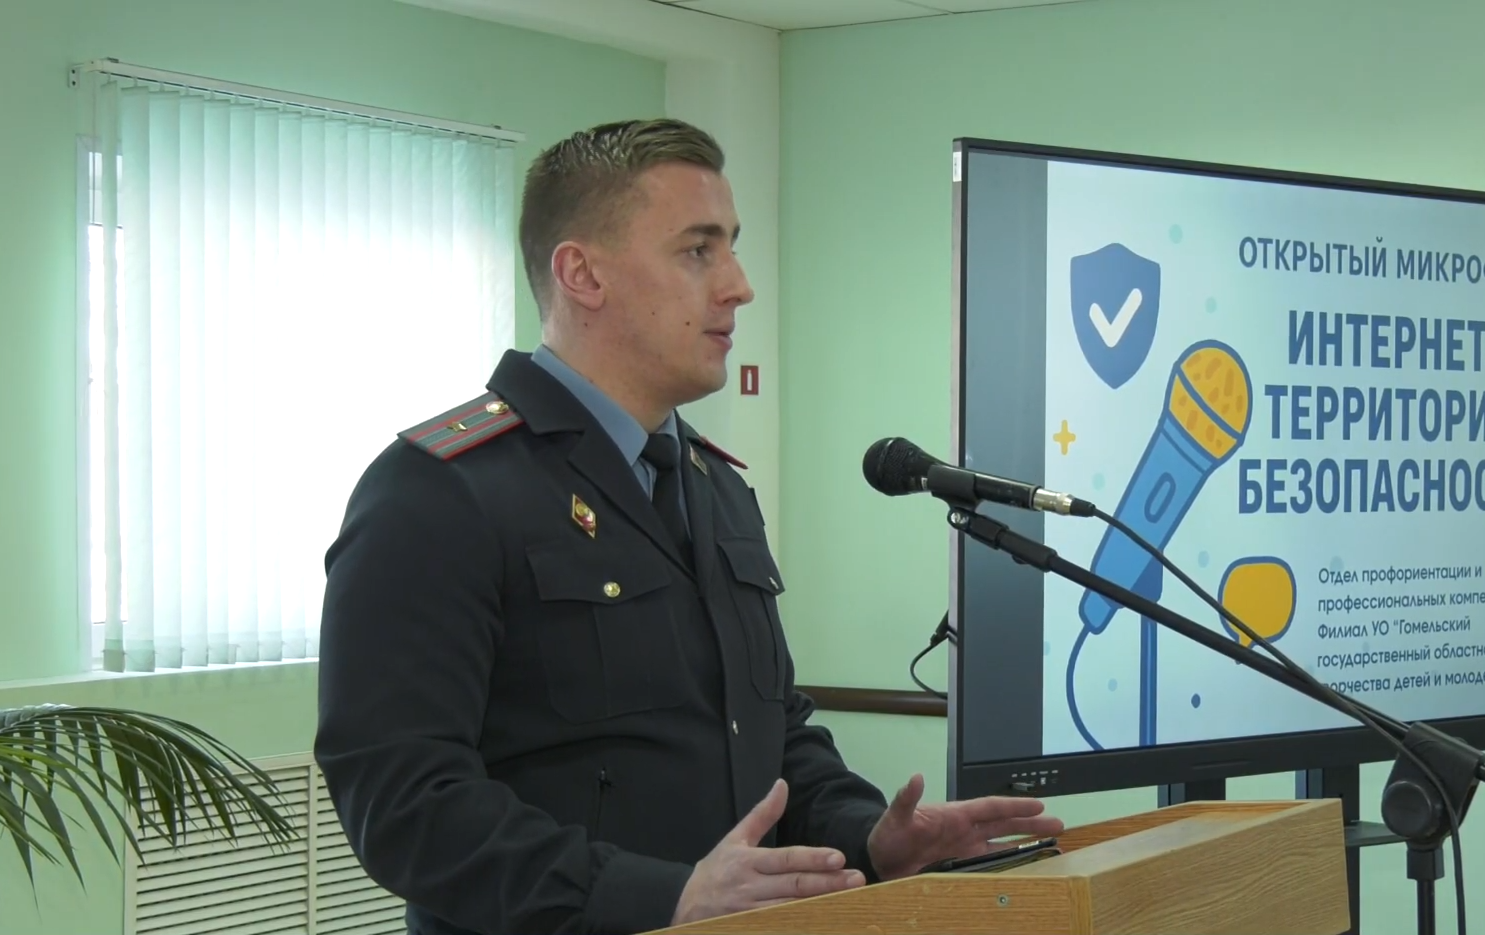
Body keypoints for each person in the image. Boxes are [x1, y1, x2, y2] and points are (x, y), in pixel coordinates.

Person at [312, 118, 1062, 935]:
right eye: (698, 250)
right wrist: (658, 896)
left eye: (732, 247)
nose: (739, 285)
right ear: (582, 274)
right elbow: (403, 801)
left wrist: (868, 836)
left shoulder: (715, 486)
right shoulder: (440, 491)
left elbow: (771, 731)